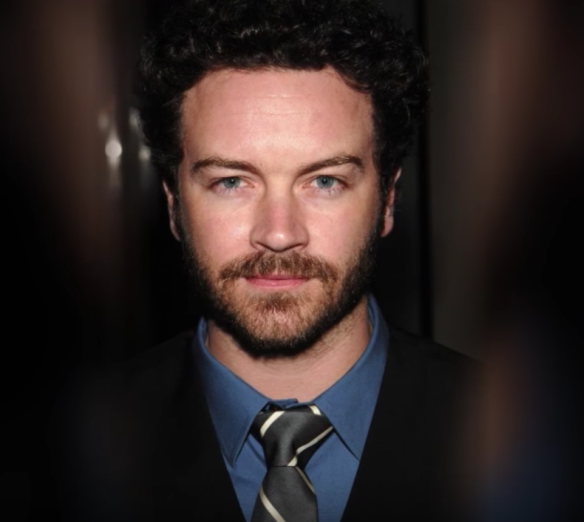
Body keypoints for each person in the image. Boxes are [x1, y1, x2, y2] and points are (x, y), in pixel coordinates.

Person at [63, 1, 478, 521]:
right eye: (231, 182)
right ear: (173, 206)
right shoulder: (69, 457)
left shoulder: (518, 448)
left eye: (324, 181)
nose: (279, 234)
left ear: (387, 200)